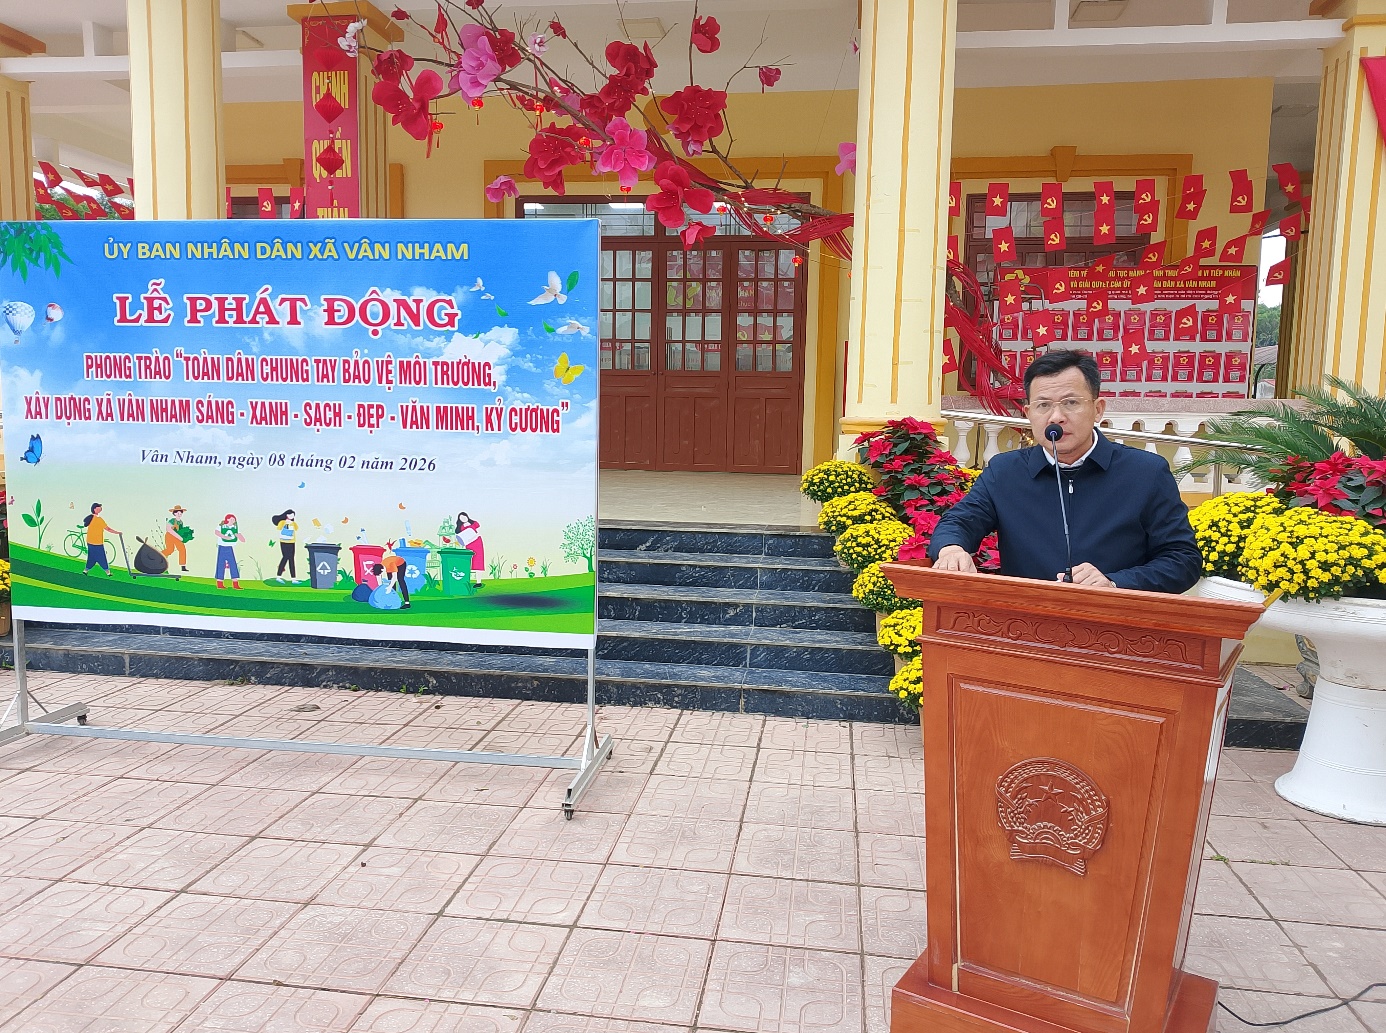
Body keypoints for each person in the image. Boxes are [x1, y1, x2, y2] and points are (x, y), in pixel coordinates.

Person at [928, 349, 1202, 593]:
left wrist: (1115, 583)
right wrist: (951, 549)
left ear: (1097, 409)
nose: (1056, 417)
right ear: (1028, 413)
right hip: (1027, 621)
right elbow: (958, 522)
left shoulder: (1146, 473)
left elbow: (1182, 560)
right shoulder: (1005, 472)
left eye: (1071, 403)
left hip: (1116, 623)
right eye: (1043, 405)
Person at [82, 503, 120, 576]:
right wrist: (117, 532)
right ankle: (107, 572)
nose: (100, 508)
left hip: (90, 541)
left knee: (91, 557)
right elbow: (108, 529)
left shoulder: (92, 518)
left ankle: (86, 570)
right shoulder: (99, 519)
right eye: (98, 507)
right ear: (94, 509)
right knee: (101, 557)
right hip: (97, 542)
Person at [455, 511, 486, 589]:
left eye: (464, 517)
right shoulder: (461, 528)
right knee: (469, 562)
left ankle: (478, 582)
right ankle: (465, 580)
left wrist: (475, 537)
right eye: (461, 518)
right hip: (469, 545)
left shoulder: (474, 523)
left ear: (467, 516)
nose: (463, 519)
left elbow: (479, 531)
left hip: (477, 544)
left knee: (478, 562)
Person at [271, 509, 300, 583]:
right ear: (286, 515)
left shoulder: (293, 523)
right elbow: (279, 528)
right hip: (284, 542)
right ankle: (278, 576)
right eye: (290, 514)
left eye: (293, 515)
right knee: (285, 557)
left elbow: (296, 528)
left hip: (292, 542)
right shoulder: (282, 522)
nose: (292, 516)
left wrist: (291, 523)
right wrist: (285, 523)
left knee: (291, 559)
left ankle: (293, 579)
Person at [214, 514, 242, 590]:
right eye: (232, 519)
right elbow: (216, 532)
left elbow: (237, 534)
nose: (233, 521)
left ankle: (235, 583)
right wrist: (224, 536)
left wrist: (240, 537)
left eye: (234, 519)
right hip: (222, 547)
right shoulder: (222, 526)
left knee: (233, 564)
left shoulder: (234, 527)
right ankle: (219, 583)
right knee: (221, 564)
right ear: (228, 519)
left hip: (229, 547)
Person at [161, 505, 192, 572]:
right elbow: (169, 529)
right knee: (170, 550)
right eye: (178, 512)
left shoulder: (181, 522)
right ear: (174, 513)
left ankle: (183, 566)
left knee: (182, 549)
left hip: (177, 537)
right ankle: (158, 555)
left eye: (181, 512)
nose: (179, 514)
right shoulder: (172, 521)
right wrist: (179, 537)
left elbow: (180, 531)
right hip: (170, 536)